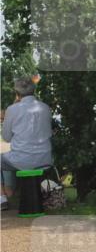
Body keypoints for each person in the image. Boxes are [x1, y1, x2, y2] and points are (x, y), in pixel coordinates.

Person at [1, 76, 54, 212]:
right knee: (11, 158)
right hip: (45, 159)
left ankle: (3, 196)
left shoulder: (12, 109)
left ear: (17, 93)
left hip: (23, 160)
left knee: (6, 158)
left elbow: (6, 138)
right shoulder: (45, 107)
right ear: (34, 90)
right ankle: (10, 192)